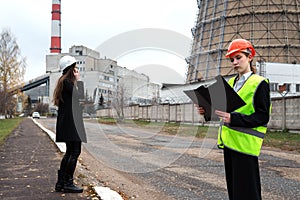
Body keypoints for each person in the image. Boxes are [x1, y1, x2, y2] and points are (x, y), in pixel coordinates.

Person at [197, 39, 271, 200]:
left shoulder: (259, 83)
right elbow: (221, 112)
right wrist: (206, 111)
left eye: (238, 58)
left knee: (248, 193)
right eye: (232, 60)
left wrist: (234, 118)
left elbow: (262, 116)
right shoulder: (230, 83)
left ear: (250, 56)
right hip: (229, 143)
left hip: (245, 145)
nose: (234, 62)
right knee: (235, 191)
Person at [53, 55, 87, 193]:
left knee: (70, 152)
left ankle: (61, 183)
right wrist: (79, 81)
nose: (76, 71)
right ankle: (67, 183)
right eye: (75, 68)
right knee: (75, 151)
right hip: (71, 124)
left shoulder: (64, 82)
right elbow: (80, 97)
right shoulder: (67, 82)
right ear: (70, 69)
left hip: (69, 123)